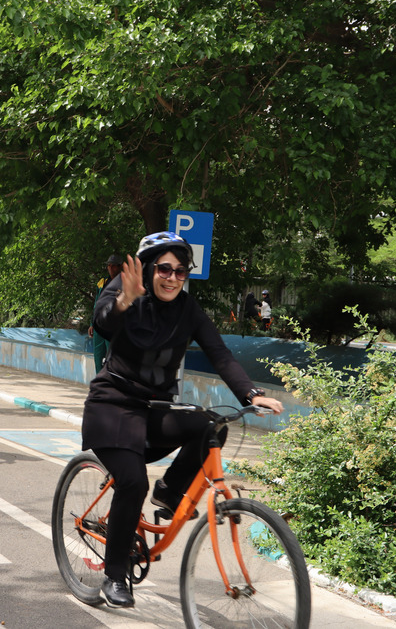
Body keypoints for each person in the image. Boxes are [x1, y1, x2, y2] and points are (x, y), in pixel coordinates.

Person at [82, 231, 284, 608]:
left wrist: (251, 394)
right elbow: (104, 322)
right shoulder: (124, 288)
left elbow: (219, 353)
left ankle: (170, 492)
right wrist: (125, 301)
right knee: (132, 482)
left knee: (211, 426)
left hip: (154, 409)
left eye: (180, 271)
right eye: (164, 269)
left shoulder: (188, 309)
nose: (172, 278)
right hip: (112, 407)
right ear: (148, 268)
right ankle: (114, 576)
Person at [89, 254, 125, 373]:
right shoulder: (102, 283)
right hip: (100, 325)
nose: (110, 268)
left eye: (113, 266)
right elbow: (96, 304)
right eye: (109, 265)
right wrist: (92, 324)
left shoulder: (125, 283)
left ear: (120, 266)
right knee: (98, 357)